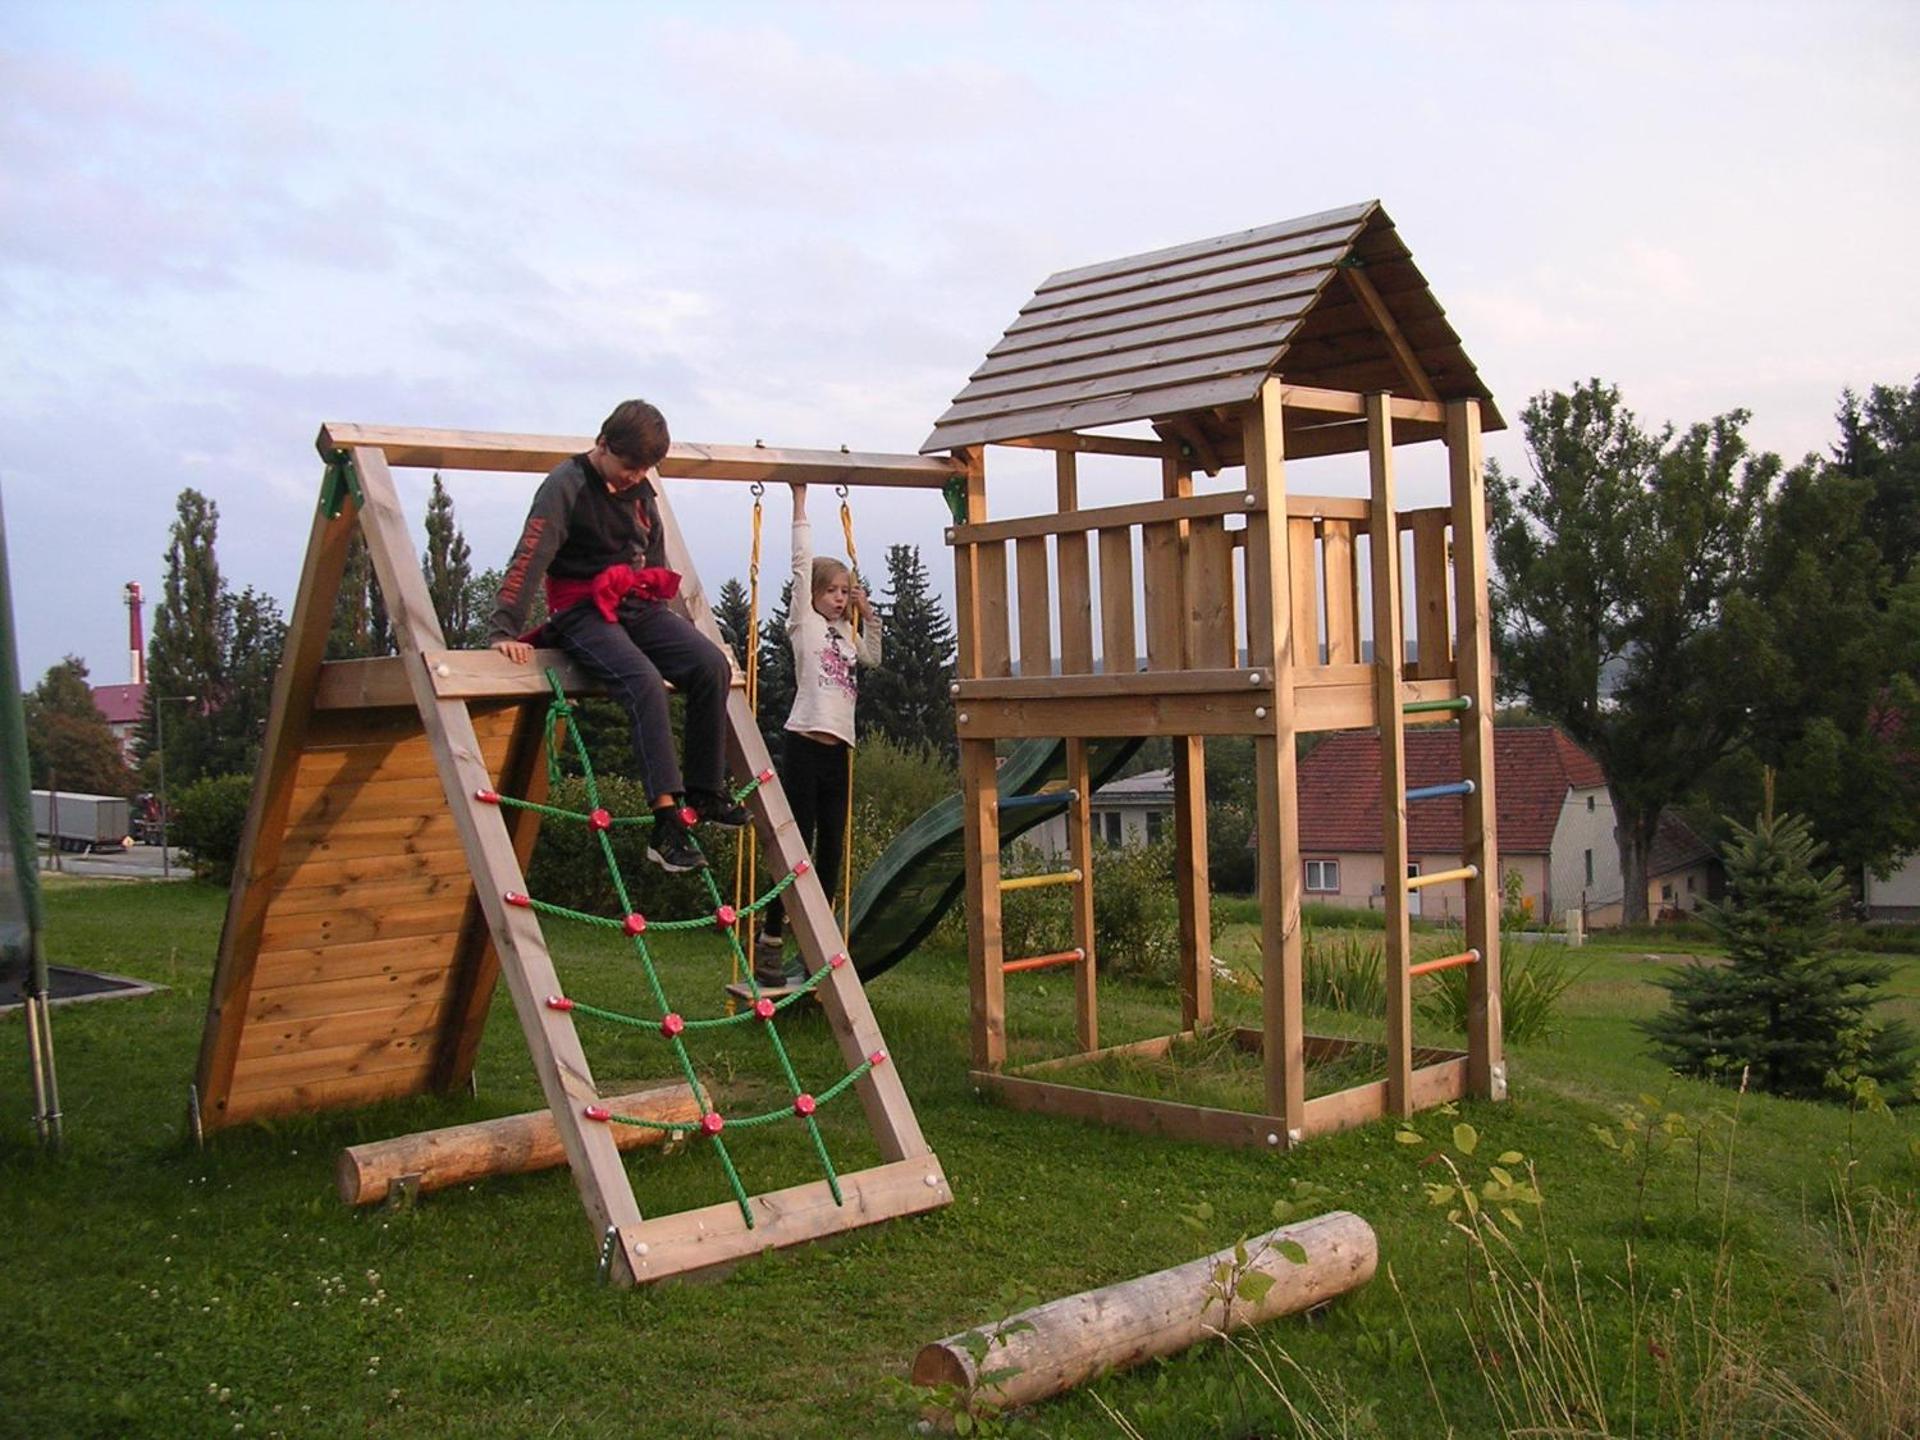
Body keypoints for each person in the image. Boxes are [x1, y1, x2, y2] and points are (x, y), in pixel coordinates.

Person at [486, 399, 747, 873]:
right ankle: (665, 824)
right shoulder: (565, 485)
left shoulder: (642, 494)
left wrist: (680, 637)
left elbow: (658, 565)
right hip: (582, 611)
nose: (635, 475)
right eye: (630, 465)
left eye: (645, 468)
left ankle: (705, 793)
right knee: (643, 681)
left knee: (710, 664)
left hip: (637, 605)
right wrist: (504, 628)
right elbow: (529, 556)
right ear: (603, 444)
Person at [754, 483, 881, 986]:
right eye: (832, 591)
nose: (839, 598)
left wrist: (869, 616)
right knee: (798, 846)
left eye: (844, 592)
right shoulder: (803, 623)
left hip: (839, 750)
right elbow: (801, 562)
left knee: (831, 848)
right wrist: (800, 502)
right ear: (812, 596)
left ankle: (817, 942)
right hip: (805, 742)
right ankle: (770, 937)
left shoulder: (848, 634)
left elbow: (872, 658)